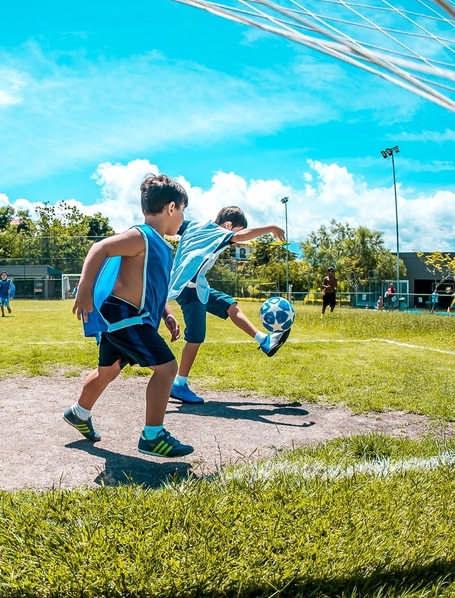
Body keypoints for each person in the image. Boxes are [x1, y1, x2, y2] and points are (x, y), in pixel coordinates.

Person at [64, 173, 192, 457]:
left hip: (132, 316)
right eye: (183, 210)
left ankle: (79, 413)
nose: (182, 218)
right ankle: (152, 436)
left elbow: (153, 288)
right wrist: (84, 290)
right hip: (124, 315)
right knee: (167, 368)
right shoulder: (141, 236)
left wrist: (167, 313)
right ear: (171, 207)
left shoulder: (163, 246)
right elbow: (101, 248)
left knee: (107, 371)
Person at [167, 206, 290, 405]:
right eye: (236, 230)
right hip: (189, 288)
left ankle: (264, 341)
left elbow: (168, 227)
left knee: (230, 306)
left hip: (198, 285)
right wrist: (271, 227)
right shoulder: (221, 232)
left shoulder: (195, 225)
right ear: (228, 225)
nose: (234, 238)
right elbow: (241, 237)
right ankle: (179, 384)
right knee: (196, 337)